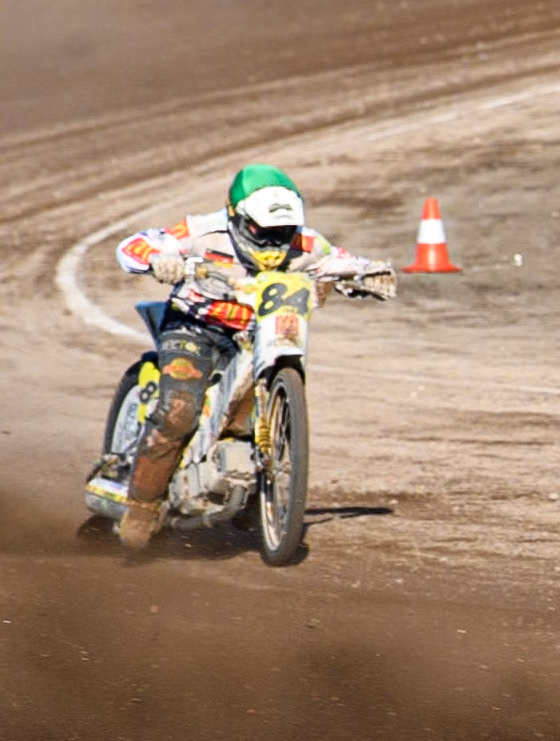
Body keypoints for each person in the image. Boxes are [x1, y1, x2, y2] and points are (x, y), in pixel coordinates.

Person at [113, 164, 397, 549]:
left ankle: (250, 494)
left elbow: (342, 262)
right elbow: (133, 246)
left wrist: (372, 273)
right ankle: (142, 506)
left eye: (283, 232)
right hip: (195, 328)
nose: (274, 241)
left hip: (258, 335)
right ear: (237, 218)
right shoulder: (202, 231)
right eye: (263, 231)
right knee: (179, 409)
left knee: (249, 410)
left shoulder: (307, 244)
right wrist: (159, 258)